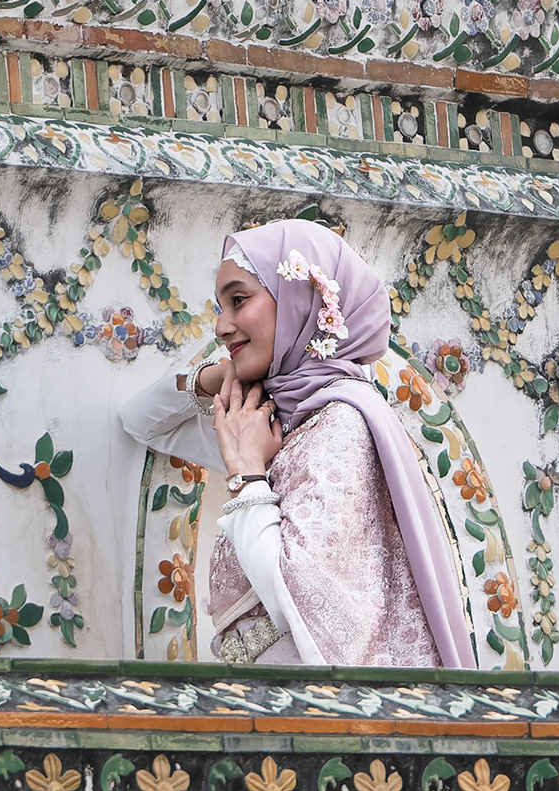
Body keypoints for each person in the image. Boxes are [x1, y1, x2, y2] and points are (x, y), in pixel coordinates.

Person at [119, 219, 475, 667]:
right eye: (219, 306)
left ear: (299, 303)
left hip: (314, 718)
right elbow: (140, 421)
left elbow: (297, 599)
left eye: (238, 300)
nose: (221, 326)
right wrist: (214, 376)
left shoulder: (341, 425)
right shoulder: (271, 420)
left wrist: (247, 475)